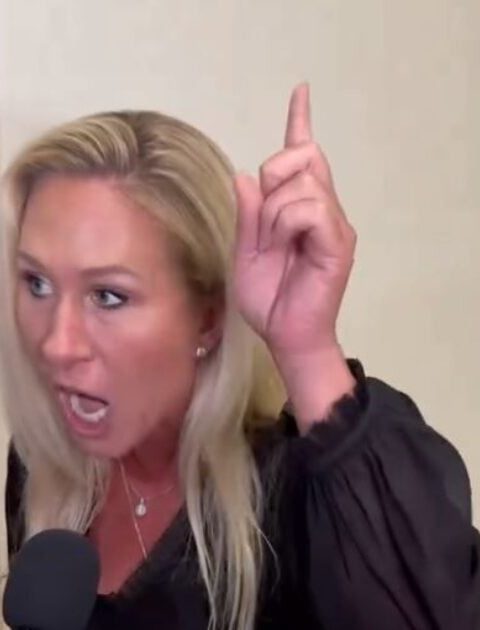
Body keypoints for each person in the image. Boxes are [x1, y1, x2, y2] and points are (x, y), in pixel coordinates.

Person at [1, 84, 479, 630]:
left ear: (208, 317)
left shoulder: (296, 497)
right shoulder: (43, 470)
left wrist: (306, 348)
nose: (57, 344)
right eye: (37, 284)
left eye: (108, 296)